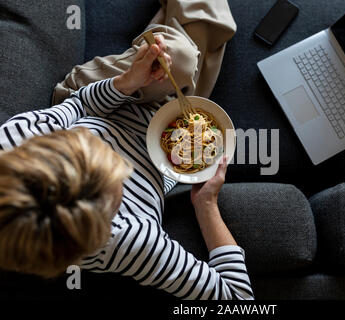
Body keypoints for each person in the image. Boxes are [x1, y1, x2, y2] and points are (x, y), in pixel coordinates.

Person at [0, 35, 254, 300]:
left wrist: (127, 82)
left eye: (90, 143)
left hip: (103, 102)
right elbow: (238, 299)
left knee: (180, 56)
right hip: (165, 144)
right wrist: (207, 204)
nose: (122, 165)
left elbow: (80, 105)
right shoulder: (130, 241)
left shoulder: (14, 141)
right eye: (119, 179)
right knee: (201, 39)